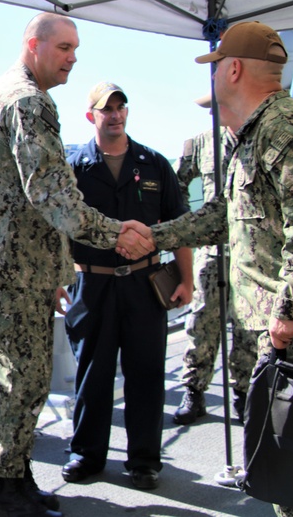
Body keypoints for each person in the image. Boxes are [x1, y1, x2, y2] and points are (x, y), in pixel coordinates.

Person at [0, 11, 156, 517]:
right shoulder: (28, 101)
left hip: (15, 267)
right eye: (65, 48)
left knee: (21, 381)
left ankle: (16, 476)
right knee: (19, 382)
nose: (73, 59)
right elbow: (53, 197)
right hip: (11, 271)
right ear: (34, 44)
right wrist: (119, 233)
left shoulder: (3, 93)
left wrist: (54, 271)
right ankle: (6, 491)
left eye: (76, 49)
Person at [148, 21, 293, 517]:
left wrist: (287, 318)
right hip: (274, 332)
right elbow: (225, 214)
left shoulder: (289, 130)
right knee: (285, 475)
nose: (211, 79)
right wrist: (155, 237)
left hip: (292, 334)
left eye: (214, 68)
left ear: (233, 68)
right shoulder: (252, 137)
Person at [61, 82, 192, 491]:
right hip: (91, 285)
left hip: (143, 284)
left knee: (147, 374)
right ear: (91, 117)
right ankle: (86, 454)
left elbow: (179, 222)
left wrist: (187, 278)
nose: (115, 114)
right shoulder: (71, 166)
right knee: (92, 374)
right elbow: (53, 229)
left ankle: (144, 461)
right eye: (106, 109)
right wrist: (54, 281)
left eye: (120, 107)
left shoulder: (153, 163)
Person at [172, 97, 259, 426]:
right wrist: (189, 224)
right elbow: (176, 185)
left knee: (246, 325)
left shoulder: (251, 138)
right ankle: (194, 390)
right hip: (211, 252)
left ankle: (244, 391)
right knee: (201, 321)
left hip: (248, 251)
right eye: (213, 107)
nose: (217, 112)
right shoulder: (200, 143)